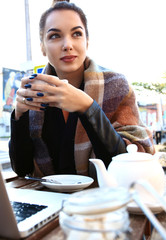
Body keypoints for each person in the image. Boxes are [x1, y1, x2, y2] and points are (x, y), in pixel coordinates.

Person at [9, 0, 154, 178]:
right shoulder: (34, 92)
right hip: (49, 199)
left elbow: (131, 163)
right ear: (42, 48)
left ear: (87, 42)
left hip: (103, 200)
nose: (67, 45)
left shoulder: (115, 85)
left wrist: (88, 107)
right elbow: (22, 168)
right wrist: (19, 116)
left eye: (76, 34)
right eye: (55, 36)